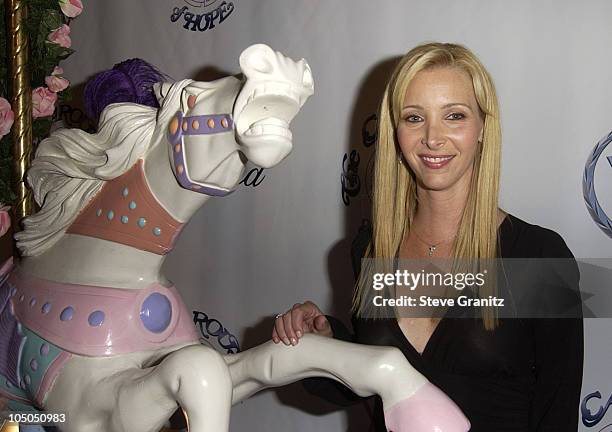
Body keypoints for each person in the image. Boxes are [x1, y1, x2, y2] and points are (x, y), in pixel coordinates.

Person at [271, 42, 584, 431]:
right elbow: (375, 385)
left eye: (454, 115)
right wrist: (324, 338)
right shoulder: (372, 249)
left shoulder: (537, 257)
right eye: (414, 118)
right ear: (395, 131)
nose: (433, 138)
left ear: (483, 126)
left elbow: (557, 408)